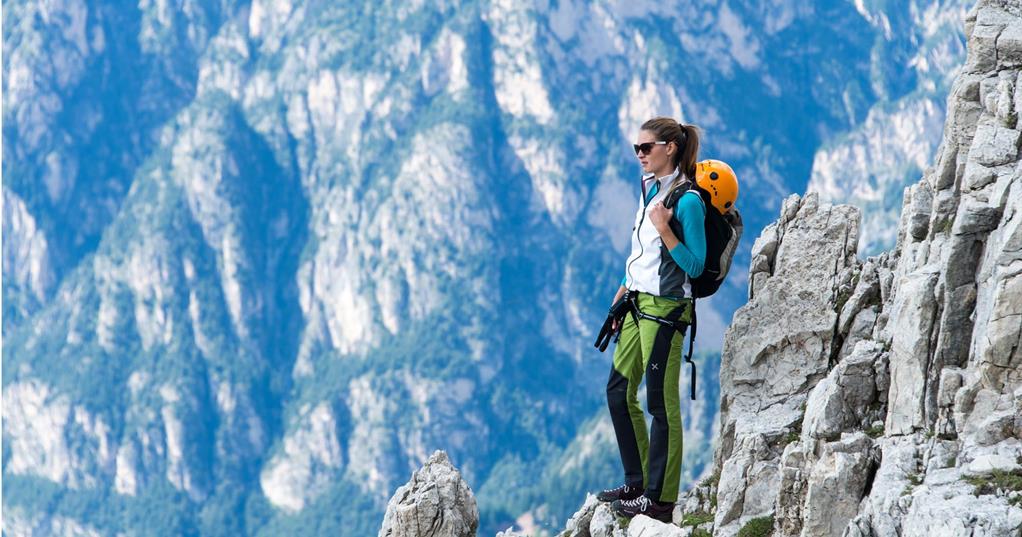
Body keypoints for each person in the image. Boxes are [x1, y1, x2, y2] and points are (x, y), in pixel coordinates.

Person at [597, 117, 707, 522]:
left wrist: (666, 231)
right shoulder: (650, 190)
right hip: (636, 304)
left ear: (670, 148)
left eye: (646, 148)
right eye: (637, 149)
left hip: (665, 311)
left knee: (661, 404)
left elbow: (694, 266)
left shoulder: (688, 201)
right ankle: (637, 481)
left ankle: (659, 501)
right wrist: (621, 293)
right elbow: (640, 256)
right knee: (618, 391)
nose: (640, 155)